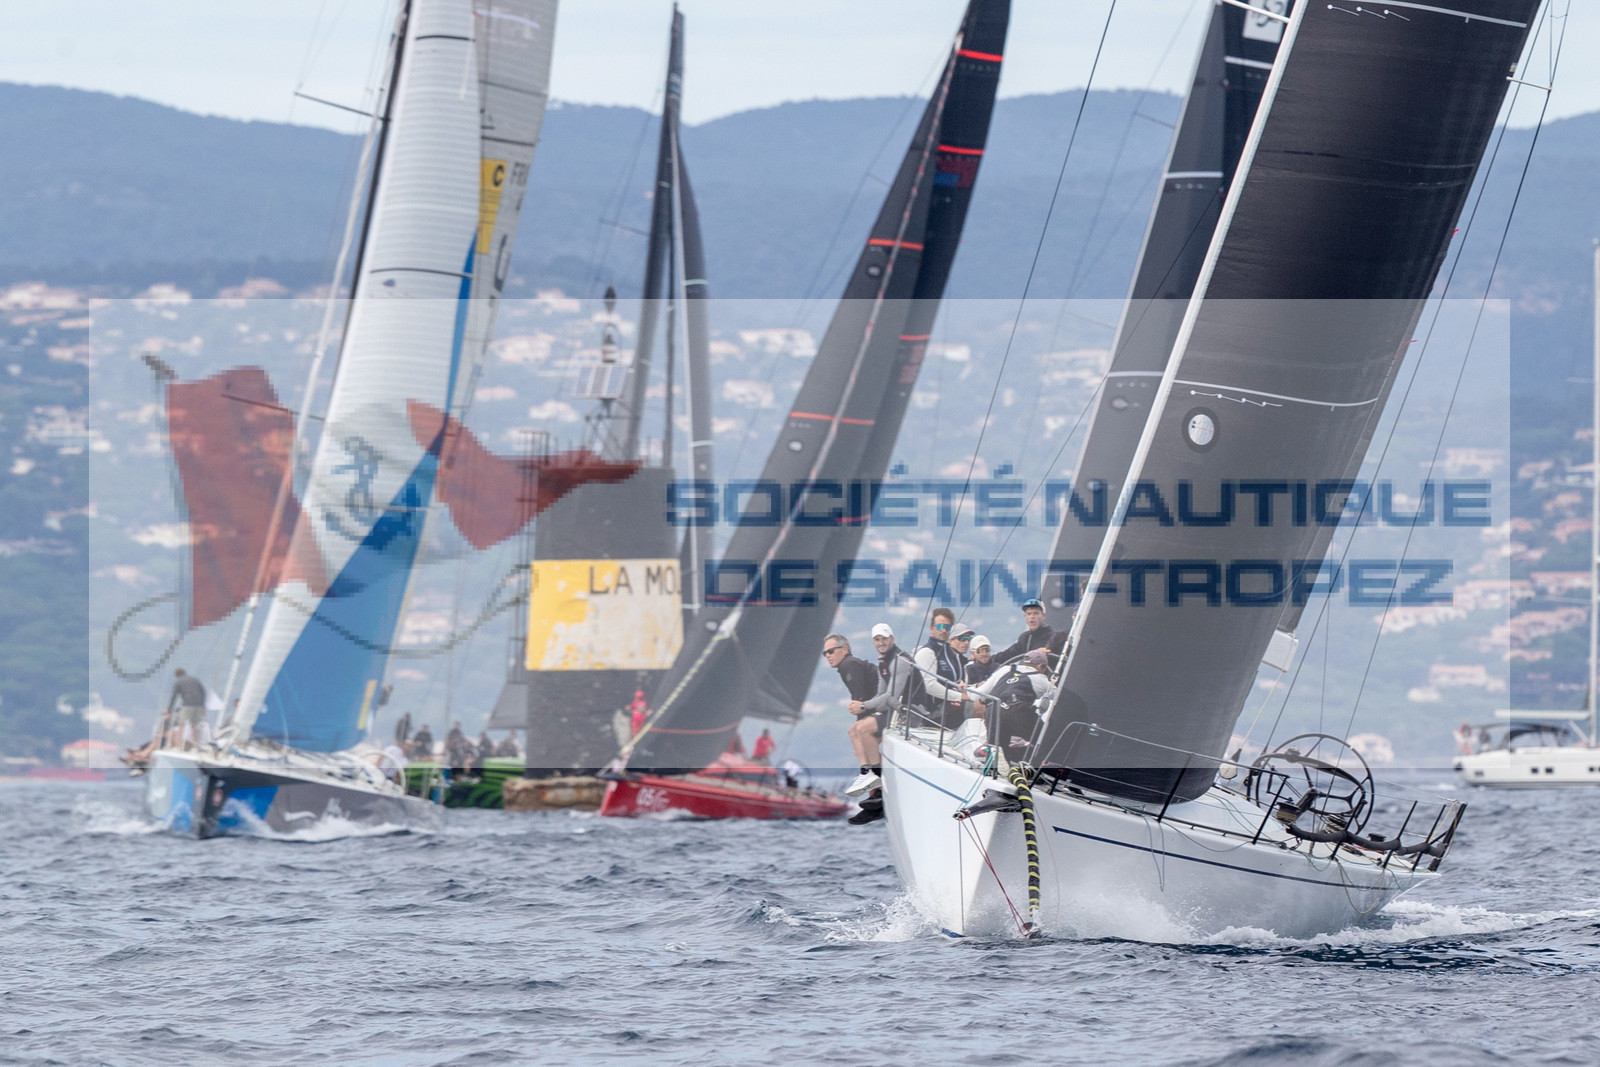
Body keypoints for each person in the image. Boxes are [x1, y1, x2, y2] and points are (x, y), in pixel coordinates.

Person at [847, 623, 916, 825]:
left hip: (908, 712)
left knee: (863, 728)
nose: (881, 643)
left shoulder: (900, 660)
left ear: (892, 639)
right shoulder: (883, 662)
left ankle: (877, 778)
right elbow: (881, 694)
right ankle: (870, 781)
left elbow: (891, 696)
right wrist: (861, 708)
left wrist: (864, 706)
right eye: (877, 639)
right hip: (892, 709)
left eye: (884, 638)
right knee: (854, 730)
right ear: (874, 642)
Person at [968, 648, 1056, 756]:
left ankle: (996, 756)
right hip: (1017, 711)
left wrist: (969, 687)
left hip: (993, 712)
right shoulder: (1041, 679)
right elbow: (1060, 697)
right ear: (1040, 666)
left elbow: (974, 696)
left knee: (998, 748)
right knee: (1046, 741)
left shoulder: (1005, 669)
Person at [912, 609, 968, 730]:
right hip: (931, 713)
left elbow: (955, 680)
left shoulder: (951, 653)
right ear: (931, 628)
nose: (943, 630)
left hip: (949, 706)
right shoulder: (927, 653)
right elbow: (929, 686)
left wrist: (961, 686)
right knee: (975, 706)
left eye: (947, 627)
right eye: (940, 626)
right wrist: (958, 696)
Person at [993, 597, 1055, 666]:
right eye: (1029, 614)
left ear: (1044, 616)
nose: (1032, 617)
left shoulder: (1053, 638)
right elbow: (1007, 655)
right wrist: (987, 659)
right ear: (1025, 617)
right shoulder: (1025, 638)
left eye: (1036, 613)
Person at [167, 668, 208, 750]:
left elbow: (173, 697)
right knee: (195, 726)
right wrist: (203, 705)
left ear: (176, 675)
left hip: (188, 705)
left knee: (181, 725)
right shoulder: (195, 680)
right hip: (199, 705)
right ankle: (196, 747)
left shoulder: (178, 682)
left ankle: (178, 746)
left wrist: (169, 710)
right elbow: (203, 692)